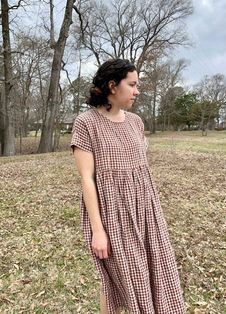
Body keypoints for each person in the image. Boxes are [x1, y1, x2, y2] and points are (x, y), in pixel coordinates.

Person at [71, 59, 186, 314]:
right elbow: (87, 179)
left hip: (146, 211)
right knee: (114, 280)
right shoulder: (86, 123)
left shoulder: (136, 122)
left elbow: (139, 169)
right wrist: (97, 231)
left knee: (155, 271)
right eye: (132, 85)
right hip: (113, 214)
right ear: (113, 86)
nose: (137, 91)